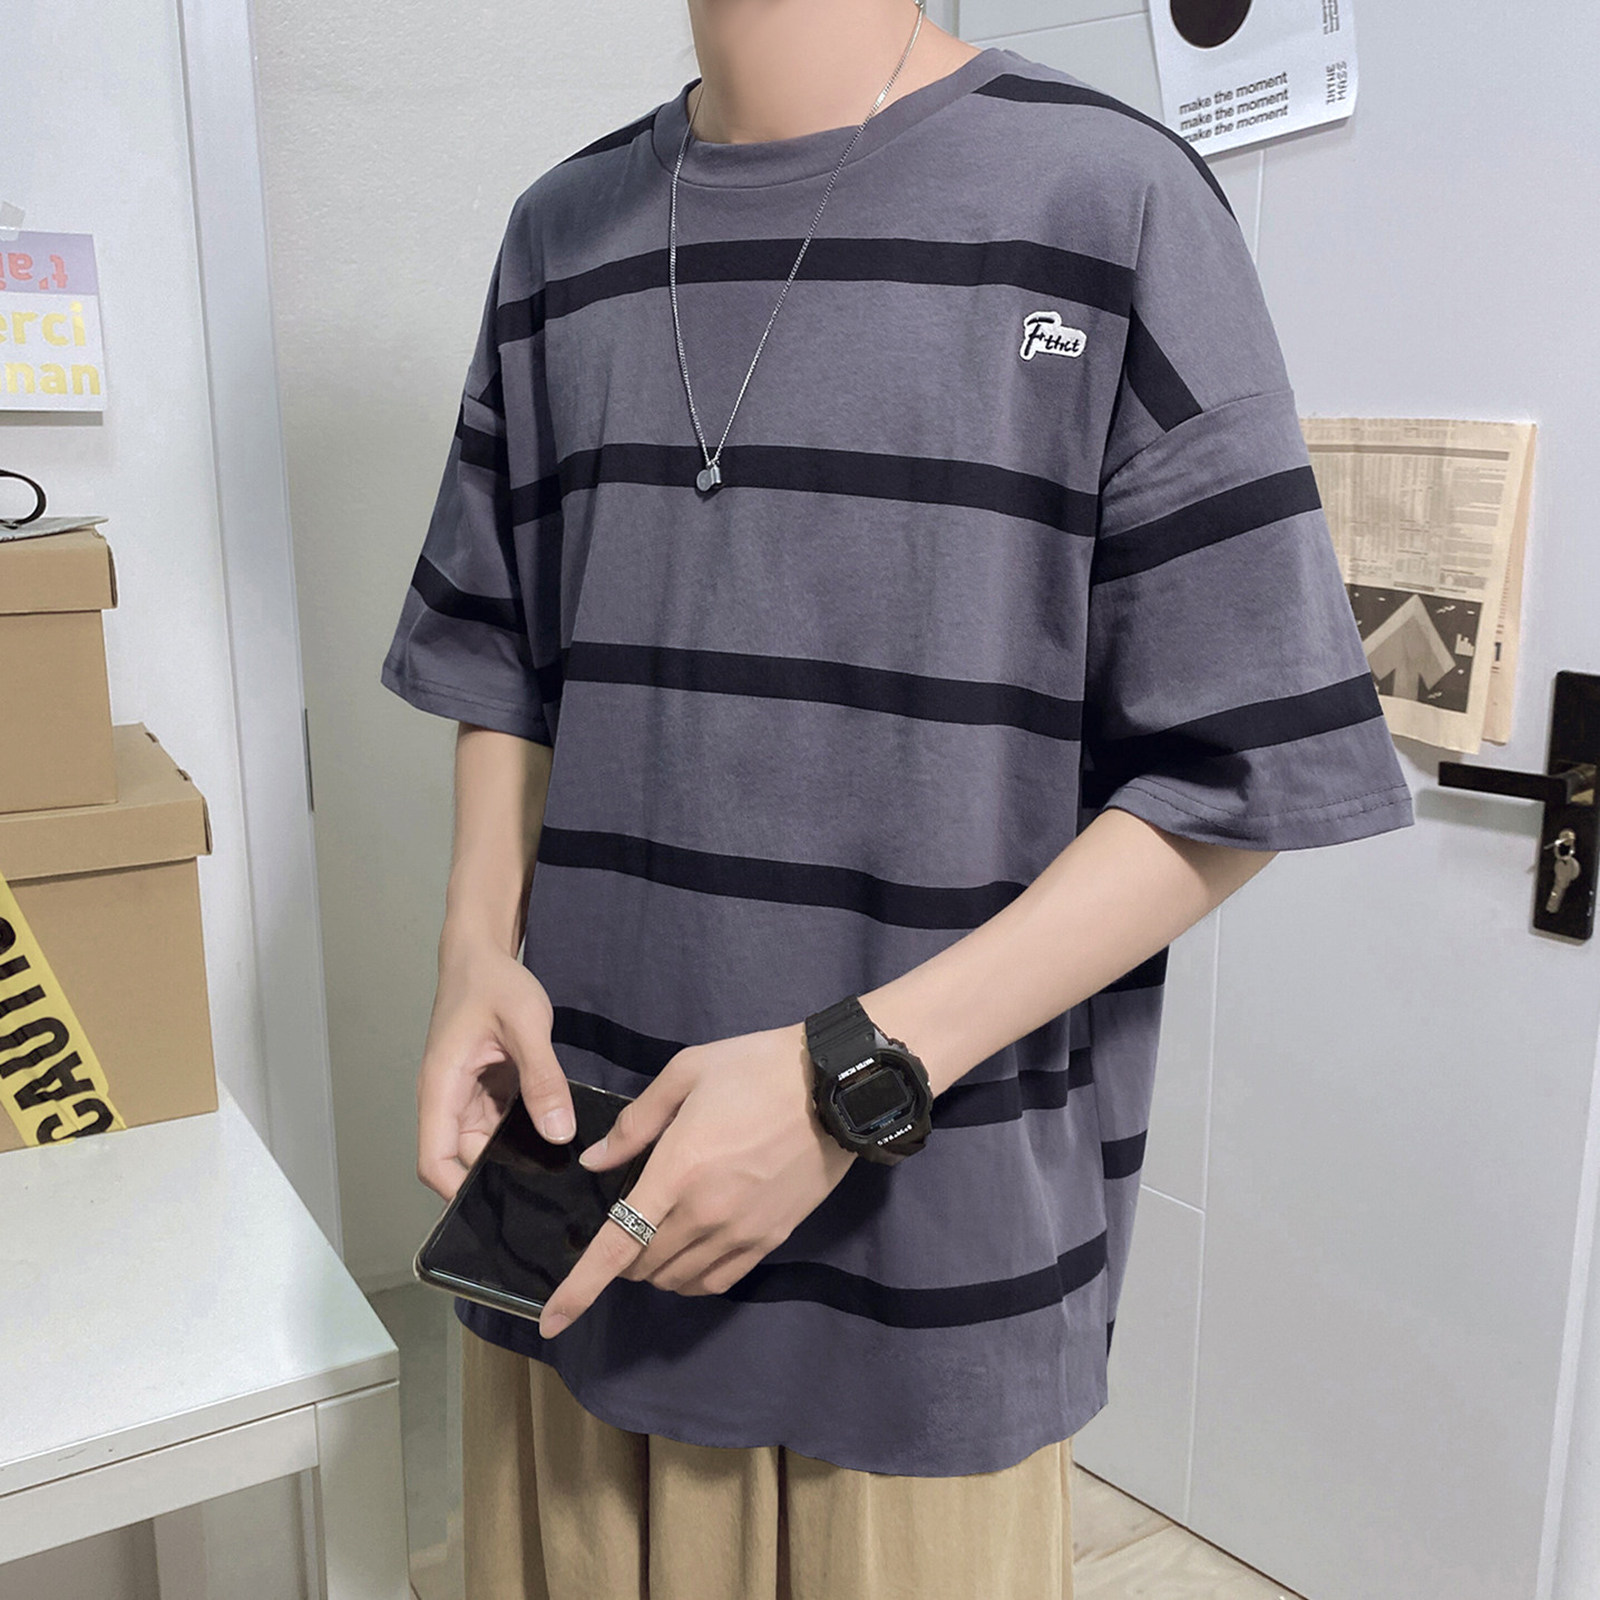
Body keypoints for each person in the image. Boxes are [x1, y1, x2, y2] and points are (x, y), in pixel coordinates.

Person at [382, 2, 1417, 1595]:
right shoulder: (560, 233)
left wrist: (842, 1079)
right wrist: (472, 950)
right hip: (573, 1186)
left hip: (918, 1243)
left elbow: (1243, 762)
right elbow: (500, 653)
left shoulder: (1108, 199)